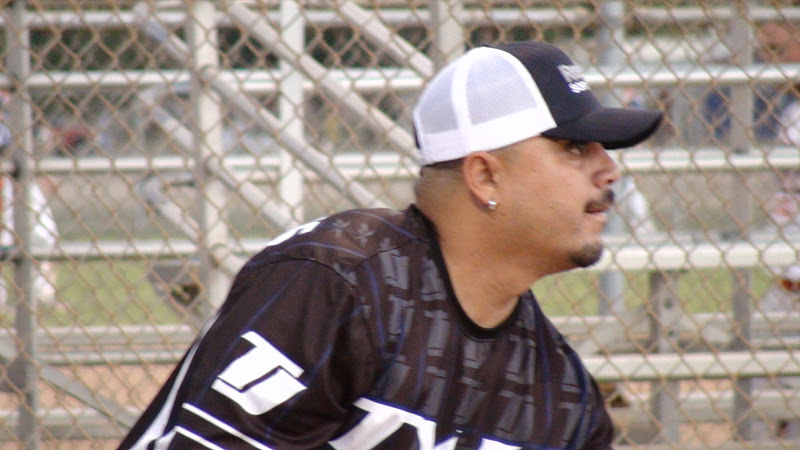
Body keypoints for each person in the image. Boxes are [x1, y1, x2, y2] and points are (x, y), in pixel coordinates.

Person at [118, 41, 662, 449]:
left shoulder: (562, 397)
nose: (609, 169)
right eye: (574, 147)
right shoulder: (340, 284)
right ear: (485, 177)